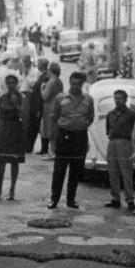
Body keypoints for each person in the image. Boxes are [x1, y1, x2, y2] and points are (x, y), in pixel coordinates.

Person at [48, 70, 94, 210]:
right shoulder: (60, 98)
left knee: (76, 169)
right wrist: (55, 138)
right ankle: (54, 199)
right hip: (64, 136)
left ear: (82, 84)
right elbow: (53, 116)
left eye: (79, 84)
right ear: (70, 83)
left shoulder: (88, 99)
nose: (76, 86)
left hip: (79, 136)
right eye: (73, 83)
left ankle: (71, 200)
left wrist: (81, 125)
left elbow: (91, 117)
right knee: (59, 170)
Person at [0, 73, 26, 201]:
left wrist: (17, 105)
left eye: (13, 82)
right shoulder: (2, 98)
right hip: (3, 129)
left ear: (16, 84)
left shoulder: (21, 97)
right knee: (1, 162)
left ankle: (12, 189)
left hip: (16, 130)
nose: (11, 85)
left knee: (14, 162)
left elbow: (24, 116)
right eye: (9, 83)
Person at [104, 88, 135, 211]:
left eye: (120, 98)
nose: (118, 101)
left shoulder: (132, 115)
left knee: (126, 172)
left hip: (125, 142)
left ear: (125, 99)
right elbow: (108, 130)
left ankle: (130, 199)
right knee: (113, 172)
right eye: (116, 98)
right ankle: (115, 198)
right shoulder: (110, 114)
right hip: (112, 142)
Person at [40, 62, 63, 158]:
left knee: (50, 129)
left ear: (50, 71)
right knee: (55, 129)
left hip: (49, 107)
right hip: (58, 106)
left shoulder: (51, 82)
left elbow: (45, 96)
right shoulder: (59, 81)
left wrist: (42, 88)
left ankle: (52, 152)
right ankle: (54, 150)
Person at [27, 58, 50, 153]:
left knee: (37, 127)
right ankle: (30, 147)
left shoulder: (45, 76)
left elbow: (41, 93)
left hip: (38, 105)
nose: (37, 65)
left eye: (38, 63)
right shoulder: (42, 75)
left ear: (41, 65)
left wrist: (38, 108)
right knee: (37, 127)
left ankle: (34, 148)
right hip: (36, 105)